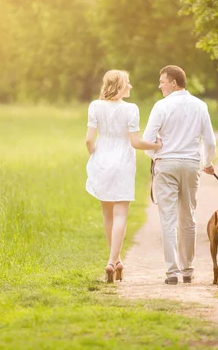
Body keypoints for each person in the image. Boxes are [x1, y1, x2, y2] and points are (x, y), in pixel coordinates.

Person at [85, 70, 163, 283]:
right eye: (128, 83)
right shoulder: (131, 109)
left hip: (101, 161)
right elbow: (136, 143)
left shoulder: (94, 106)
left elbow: (88, 140)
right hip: (123, 163)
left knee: (107, 216)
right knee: (121, 215)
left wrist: (96, 156)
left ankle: (116, 259)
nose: (130, 87)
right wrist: (156, 145)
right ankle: (112, 261)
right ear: (119, 86)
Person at [143, 65, 217, 285]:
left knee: (168, 218)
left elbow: (148, 140)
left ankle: (172, 271)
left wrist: (154, 156)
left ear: (174, 83)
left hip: (167, 164)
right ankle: (188, 269)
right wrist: (208, 162)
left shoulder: (161, 106)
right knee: (188, 217)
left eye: (162, 81)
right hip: (192, 165)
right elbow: (210, 141)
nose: (160, 86)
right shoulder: (200, 105)